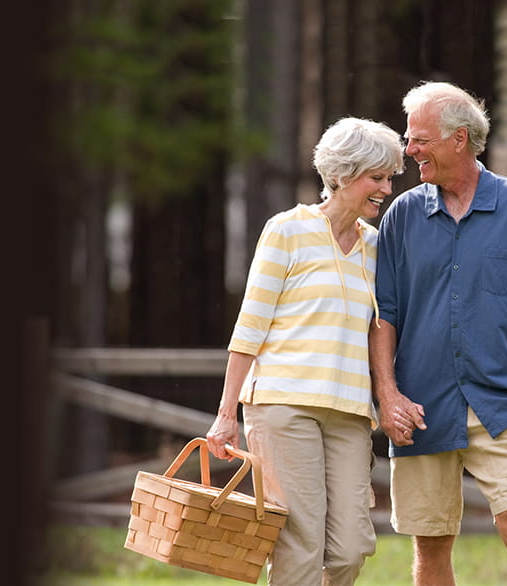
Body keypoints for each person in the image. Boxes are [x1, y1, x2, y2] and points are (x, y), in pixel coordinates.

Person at [370, 81, 507, 586]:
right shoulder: (401, 216)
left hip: (502, 402)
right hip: (421, 408)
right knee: (432, 541)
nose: (409, 150)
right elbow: (386, 315)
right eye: (408, 138)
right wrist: (388, 392)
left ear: (459, 139)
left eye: (420, 139)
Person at [206, 117, 404, 586]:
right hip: (283, 406)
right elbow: (249, 326)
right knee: (299, 543)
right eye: (377, 177)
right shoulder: (287, 231)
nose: (387, 188)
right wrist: (225, 412)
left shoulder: (378, 247)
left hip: (350, 412)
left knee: (350, 548)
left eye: (390, 177)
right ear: (341, 174)